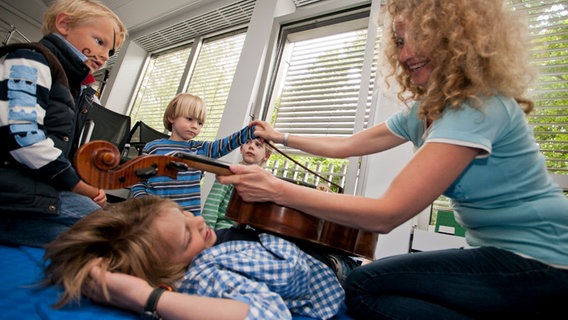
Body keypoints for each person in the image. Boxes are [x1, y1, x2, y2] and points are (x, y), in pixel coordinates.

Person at [217, 0, 568, 318]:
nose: (404, 54)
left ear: (457, 39)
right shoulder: (425, 112)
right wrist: (281, 137)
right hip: (501, 254)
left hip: (545, 259)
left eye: (418, 37)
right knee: (369, 284)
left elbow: (387, 214)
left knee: (365, 286)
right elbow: (348, 145)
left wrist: (277, 191)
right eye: (400, 41)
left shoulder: (478, 105)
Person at [42, 196, 345, 320]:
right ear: (169, 268)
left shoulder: (206, 250)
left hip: (315, 259)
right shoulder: (205, 276)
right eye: (188, 238)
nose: (199, 222)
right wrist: (149, 298)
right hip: (333, 275)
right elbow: (268, 315)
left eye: (185, 214)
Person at [0, 0, 127, 247]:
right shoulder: (31, 59)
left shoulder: (76, 88)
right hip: (11, 191)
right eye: (99, 42)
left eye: (110, 52)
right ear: (64, 24)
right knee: (113, 236)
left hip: (38, 187)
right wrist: (77, 186)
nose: (103, 56)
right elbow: (22, 134)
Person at [129, 93, 256, 216]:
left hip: (188, 218)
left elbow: (225, 144)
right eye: (189, 119)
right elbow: (137, 180)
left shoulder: (199, 149)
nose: (195, 126)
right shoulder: (152, 148)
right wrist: (143, 202)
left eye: (200, 123)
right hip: (155, 215)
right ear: (172, 117)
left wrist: (251, 131)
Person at [202, 138, 272, 230]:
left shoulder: (264, 182)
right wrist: (207, 231)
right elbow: (212, 204)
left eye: (258, 145)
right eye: (247, 142)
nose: (251, 146)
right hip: (224, 229)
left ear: (266, 156)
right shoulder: (229, 173)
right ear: (241, 148)